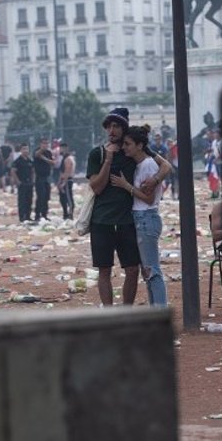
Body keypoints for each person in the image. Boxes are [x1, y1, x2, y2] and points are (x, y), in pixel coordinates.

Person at [86, 107, 172, 306]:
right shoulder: (97, 154)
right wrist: (108, 159)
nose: (112, 131)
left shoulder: (132, 149)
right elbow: (97, 188)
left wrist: (156, 179)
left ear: (124, 129)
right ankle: (109, 313)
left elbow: (165, 166)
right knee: (104, 270)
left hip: (128, 221)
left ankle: (127, 313)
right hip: (102, 221)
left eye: (116, 126)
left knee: (132, 269)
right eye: (109, 126)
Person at [109, 125, 168, 306]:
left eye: (128, 144)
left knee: (152, 270)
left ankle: (159, 310)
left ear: (139, 145)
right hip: (143, 219)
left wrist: (126, 185)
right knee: (148, 271)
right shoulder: (143, 164)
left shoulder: (148, 165)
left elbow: (148, 199)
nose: (125, 147)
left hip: (146, 218)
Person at [10, 143, 35, 223]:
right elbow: (13, 172)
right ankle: (22, 217)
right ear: (21, 150)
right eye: (24, 149)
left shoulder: (30, 160)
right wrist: (18, 182)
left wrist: (33, 180)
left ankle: (28, 216)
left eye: (27, 149)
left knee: (29, 200)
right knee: (22, 201)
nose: (25, 151)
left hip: (29, 183)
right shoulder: (17, 161)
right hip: (22, 183)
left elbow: (33, 171)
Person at [33, 137, 54, 221]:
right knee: (40, 196)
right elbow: (37, 155)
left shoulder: (48, 153)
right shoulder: (36, 151)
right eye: (44, 143)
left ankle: (44, 214)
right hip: (39, 177)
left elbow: (52, 162)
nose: (45, 145)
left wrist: (44, 158)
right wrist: (42, 152)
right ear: (40, 144)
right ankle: (37, 215)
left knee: (46, 196)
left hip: (47, 177)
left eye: (46, 143)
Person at [58, 142, 76, 220]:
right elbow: (62, 172)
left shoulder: (68, 158)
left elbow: (67, 171)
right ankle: (65, 214)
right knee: (63, 198)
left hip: (67, 181)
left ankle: (70, 214)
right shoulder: (64, 158)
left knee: (69, 198)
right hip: (64, 180)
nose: (60, 150)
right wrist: (59, 182)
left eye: (61, 148)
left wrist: (64, 183)